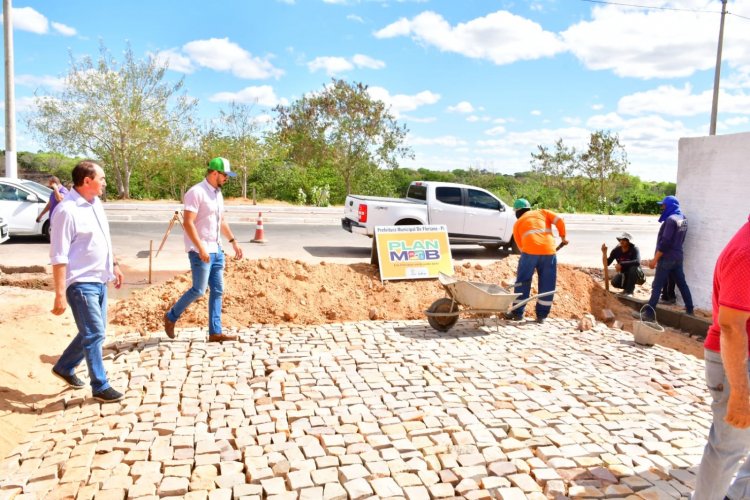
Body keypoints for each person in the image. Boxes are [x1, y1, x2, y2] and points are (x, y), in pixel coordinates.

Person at [49, 160, 124, 403]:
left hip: (99, 280)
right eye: (101, 178)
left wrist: (114, 265)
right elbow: (58, 256)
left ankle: (64, 367)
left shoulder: (96, 203)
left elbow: (105, 239)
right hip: (81, 284)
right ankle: (100, 385)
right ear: (87, 181)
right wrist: (59, 294)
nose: (105, 182)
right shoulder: (66, 211)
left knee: (93, 331)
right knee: (94, 334)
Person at [693, 215, 750, 500]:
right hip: (739, 362)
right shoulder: (747, 253)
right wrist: (740, 392)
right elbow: (730, 325)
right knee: (729, 447)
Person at [164, 157, 244, 342]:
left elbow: (221, 221)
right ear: (214, 173)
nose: (227, 179)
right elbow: (188, 222)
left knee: (217, 290)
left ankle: (215, 332)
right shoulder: (196, 192)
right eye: (225, 175)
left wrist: (233, 241)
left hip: (217, 249)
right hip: (200, 250)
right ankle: (170, 317)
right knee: (199, 290)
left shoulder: (218, 194)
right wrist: (201, 248)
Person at [505, 198, 568, 323]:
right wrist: (563, 237)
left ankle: (517, 313)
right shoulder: (543, 212)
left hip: (529, 253)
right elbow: (559, 220)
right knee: (547, 283)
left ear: (517, 211)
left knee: (523, 282)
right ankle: (542, 316)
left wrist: (531, 254)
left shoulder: (518, 224)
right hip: (549, 252)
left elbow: (520, 246)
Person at [635, 195, 694, 320]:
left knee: (657, 285)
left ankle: (649, 314)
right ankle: (690, 310)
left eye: (663, 205)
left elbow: (665, 242)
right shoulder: (683, 218)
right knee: (682, 284)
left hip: (666, 258)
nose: (662, 208)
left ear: (670, 205)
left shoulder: (670, 220)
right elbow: (680, 238)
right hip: (678, 257)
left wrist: (655, 260)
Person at [602, 232, 642, 296]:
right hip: (624, 273)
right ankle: (627, 289)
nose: (622, 241)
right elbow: (607, 263)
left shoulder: (634, 249)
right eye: (621, 239)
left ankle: (629, 291)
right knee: (614, 282)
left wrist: (621, 264)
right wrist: (604, 253)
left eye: (624, 240)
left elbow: (637, 262)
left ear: (629, 242)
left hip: (637, 274)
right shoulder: (616, 250)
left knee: (633, 268)